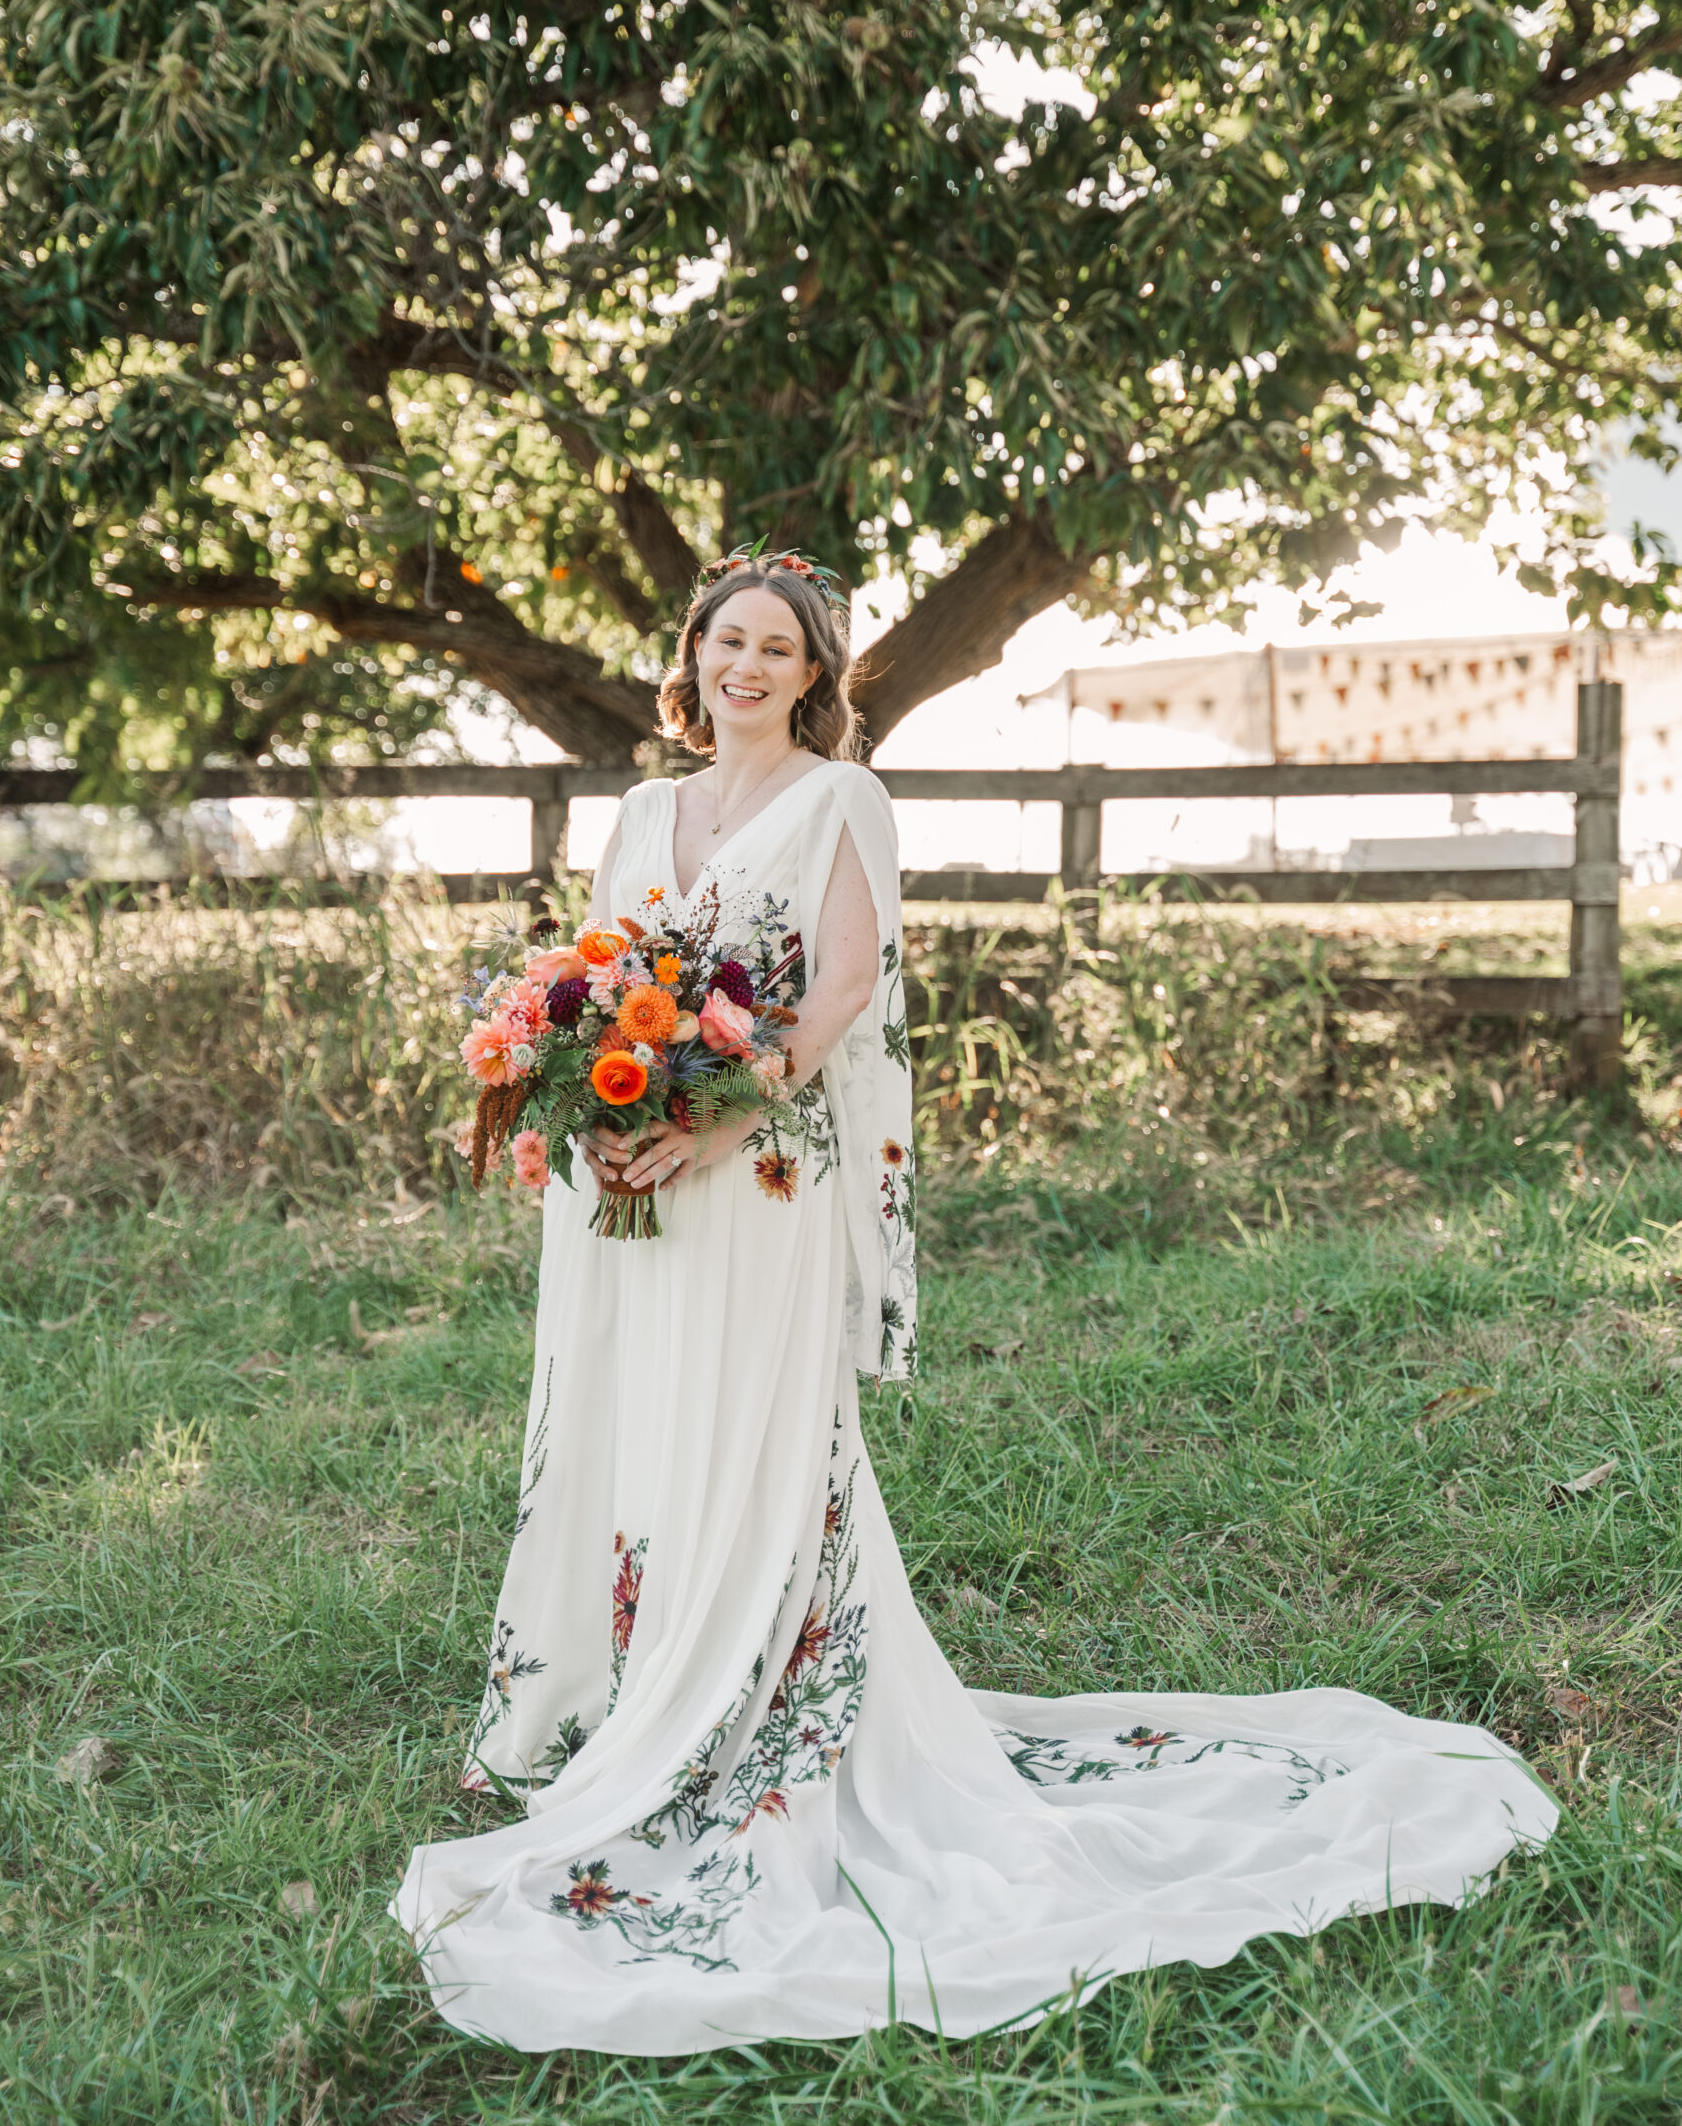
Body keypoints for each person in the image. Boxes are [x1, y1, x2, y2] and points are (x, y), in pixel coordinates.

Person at [391, 550, 1554, 2055]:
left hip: (759, 1177)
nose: (747, 665)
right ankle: (640, 1688)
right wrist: (596, 1103)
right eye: (725, 640)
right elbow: (604, 972)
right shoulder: (639, 813)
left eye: (779, 649)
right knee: (648, 1436)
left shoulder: (840, 803)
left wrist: (719, 1118)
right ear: (692, 655)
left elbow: (843, 990)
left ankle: (753, 1710)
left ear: (816, 676)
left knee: (753, 1441)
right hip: (634, 1175)